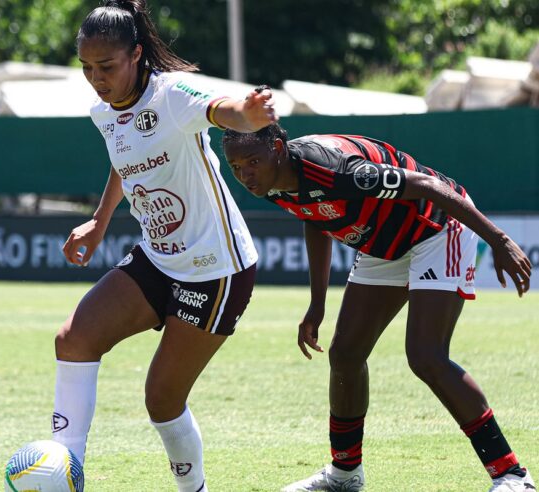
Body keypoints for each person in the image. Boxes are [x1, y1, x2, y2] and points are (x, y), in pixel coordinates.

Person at [221, 124, 534, 492]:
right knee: (346, 354)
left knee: (426, 355)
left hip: (435, 227)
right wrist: (317, 304)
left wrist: (497, 240)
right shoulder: (272, 179)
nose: (245, 175)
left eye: (252, 162)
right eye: (236, 166)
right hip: (382, 241)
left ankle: (512, 475)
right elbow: (315, 217)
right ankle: (345, 473)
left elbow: (429, 187)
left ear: (277, 147)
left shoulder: (334, 169)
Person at [51, 1, 277, 490]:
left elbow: (221, 109)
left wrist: (248, 113)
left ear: (135, 54)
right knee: (74, 339)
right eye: (87, 68)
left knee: (161, 400)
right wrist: (98, 222)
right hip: (158, 259)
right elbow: (122, 155)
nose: (96, 79)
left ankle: (193, 490)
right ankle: (63, 472)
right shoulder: (103, 111)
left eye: (106, 67)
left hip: (217, 269)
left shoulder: (172, 95)